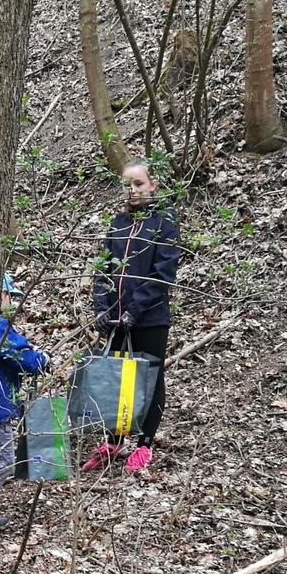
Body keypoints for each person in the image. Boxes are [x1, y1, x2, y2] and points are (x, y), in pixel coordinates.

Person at [85, 161, 180, 473]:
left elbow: (162, 273)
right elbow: (103, 268)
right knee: (117, 379)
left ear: (153, 186)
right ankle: (115, 442)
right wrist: (102, 308)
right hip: (116, 318)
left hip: (150, 318)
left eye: (138, 183)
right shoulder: (117, 223)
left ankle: (144, 445)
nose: (133, 190)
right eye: (127, 185)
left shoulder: (164, 222)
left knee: (150, 380)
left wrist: (135, 310)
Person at [0, 276, 48, 540]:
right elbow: (24, 359)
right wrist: (42, 359)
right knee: (4, 463)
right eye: (9, 297)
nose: (11, 304)